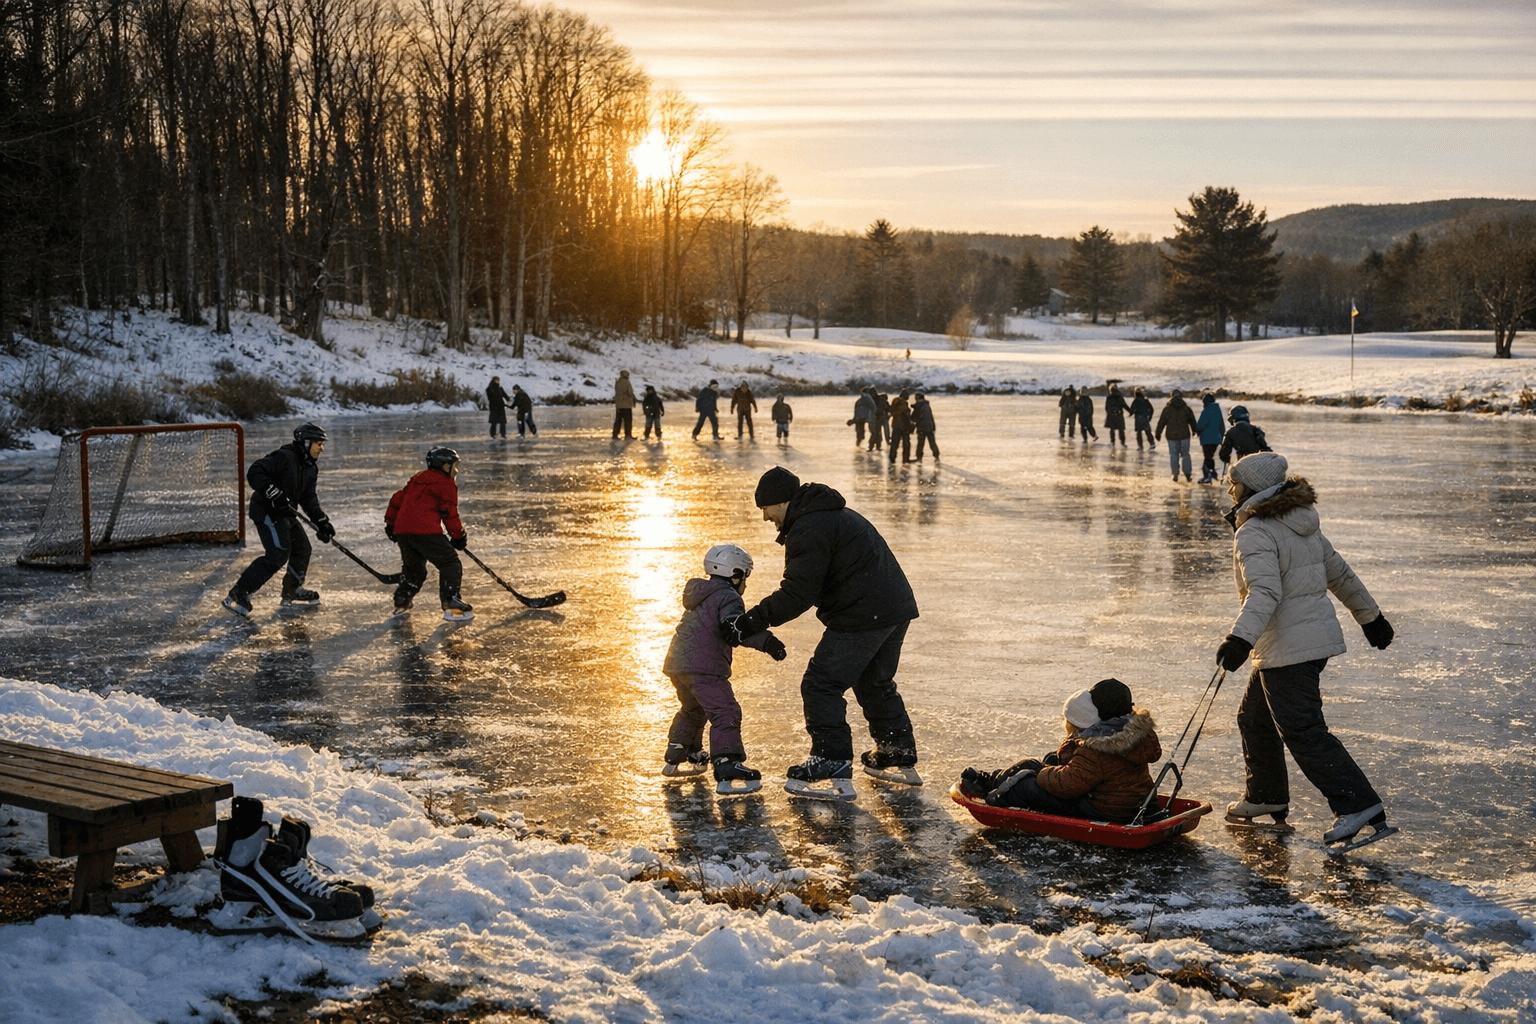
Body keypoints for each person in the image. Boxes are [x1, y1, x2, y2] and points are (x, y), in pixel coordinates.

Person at [1216, 452, 1399, 851]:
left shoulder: (1256, 531)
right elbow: (1340, 572)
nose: (1230, 488)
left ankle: (1357, 804)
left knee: (1303, 730)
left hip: (1289, 645)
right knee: (1255, 718)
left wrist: (1239, 639)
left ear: (1252, 487)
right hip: (1301, 641)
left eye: (1234, 482)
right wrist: (1371, 617)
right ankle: (1266, 795)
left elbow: (1265, 592)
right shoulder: (1298, 522)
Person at [727, 467, 922, 801]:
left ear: (781, 501)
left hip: (863, 612)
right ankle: (895, 750)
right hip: (893, 607)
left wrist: (748, 622)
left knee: (821, 684)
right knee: (873, 682)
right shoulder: (826, 514)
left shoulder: (809, 526)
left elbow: (797, 594)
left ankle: (831, 760)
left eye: (766, 508)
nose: (764, 517)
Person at [661, 544, 787, 796]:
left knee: (694, 709)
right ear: (735, 574)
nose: (745, 584)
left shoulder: (701, 594)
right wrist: (767, 642)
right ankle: (727, 763)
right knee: (725, 712)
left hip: (678, 665)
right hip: (705, 667)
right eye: (745, 577)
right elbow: (734, 628)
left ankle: (681, 749)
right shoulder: (728, 597)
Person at [957, 678, 1161, 824]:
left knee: (1027, 783)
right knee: (1038, 763)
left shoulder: (1098, 749)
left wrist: (1042, 774)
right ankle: (991, 781)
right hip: (1127, 802)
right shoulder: (1132, 735)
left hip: (1103, 810)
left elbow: (1067, 785)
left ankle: (995, 797)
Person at [224, 423, 335, 616]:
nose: (321, 448)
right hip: (266, 511)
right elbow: (255, 471)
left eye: (322, 444)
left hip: (285, 513)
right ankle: (239, 593)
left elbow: (309, 499)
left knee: (303, 548)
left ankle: (292, 590)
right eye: (318, 444)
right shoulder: (285, 456)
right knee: (278, 554)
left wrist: (322, 521)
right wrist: (271, 491)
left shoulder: (310, 468)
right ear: (305, 442)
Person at [385, 446, 474, 622]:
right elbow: (449, 512)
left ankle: (402, 598)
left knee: (414, 570)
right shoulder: (445, 483)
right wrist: (458, 535)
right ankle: (450, 600)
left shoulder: (418, 478)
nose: (455, 471)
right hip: (426, 531)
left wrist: (390, 524)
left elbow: (397, 498)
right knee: (450, 563)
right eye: (453, 466)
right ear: (444, 465)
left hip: (403, 532)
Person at [1154, 388, 1198, 482]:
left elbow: (1161, 422)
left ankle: (1175, 474)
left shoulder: (1167, 409)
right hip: (1184, 435)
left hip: (1171, 436)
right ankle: (1187, 474)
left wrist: (1158, 433)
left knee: (1174, 455)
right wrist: (1194, 430)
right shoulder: (1186, 408)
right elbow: (1192, 420)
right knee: (1185, 455)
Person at [1218, 405, 1270, 469]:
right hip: (1258, 464)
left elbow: (1224, 454)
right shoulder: (1256, 429)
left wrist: (1227, 460)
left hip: (1242, 464)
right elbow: (1265, 448)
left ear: (1232, 419)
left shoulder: (1231, 432)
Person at [1194, 392, 1225, 484]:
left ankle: (1208, 475)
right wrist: (1221, 437)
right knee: (1209, 456)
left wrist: (1196, 430)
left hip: (1207, 439)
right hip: (1216, 439)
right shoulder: (1218, 410)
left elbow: (1201, 425)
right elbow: (1222, 425)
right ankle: (1212, 473)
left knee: (1208, 457)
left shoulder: (1207, 410)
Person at [887, 389, 914, 464]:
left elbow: (892, 411)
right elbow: (905, 414)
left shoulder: (894, 401)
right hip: (903, 425)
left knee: (894, 443)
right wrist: (910, 423)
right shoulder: (904, 403)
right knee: (906, 443)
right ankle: (906, 459)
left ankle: (892, 458)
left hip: (895, 424)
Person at [912, 392, 939, 461]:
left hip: (922, 427)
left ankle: (919, 457)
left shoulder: (918, 406)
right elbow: (931, 417)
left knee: (920, 443)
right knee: (932, 442)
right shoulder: (927, 405)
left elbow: (914, 418)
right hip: (929, 427)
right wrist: (933, 426)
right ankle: (936, 455)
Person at [612, 370, 637, 439]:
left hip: (619, 405)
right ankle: (628, 435)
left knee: (618, 421)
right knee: (628, 421)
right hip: (627, 405)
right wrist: (633, 398)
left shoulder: (617, 382)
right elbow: (629, 392)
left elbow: (617, 392)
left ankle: (615, 434)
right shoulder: (627, 382)